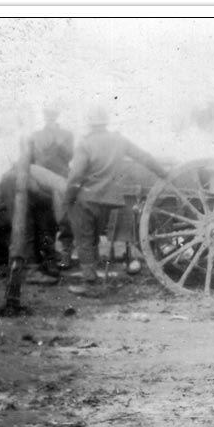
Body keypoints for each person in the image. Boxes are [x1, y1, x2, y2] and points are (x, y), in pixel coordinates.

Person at [63, 104, 169, 296]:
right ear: (106, 122)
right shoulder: (118, 140)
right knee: (93, 238)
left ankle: (90, 283)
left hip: (86, 199)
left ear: (89, 123)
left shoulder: (85, 144)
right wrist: (163, 173)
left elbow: (75, 176)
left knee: (85, 240)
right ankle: (93, 277)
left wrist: (67, 199)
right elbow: (142, 156)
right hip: (109, 201)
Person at [29, 102, 75, 269]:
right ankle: (48, 253)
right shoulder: (36, 135)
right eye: (47, 113)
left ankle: (66, 252)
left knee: (64, 215)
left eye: (53, 113)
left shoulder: (66, 134)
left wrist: (60, 143)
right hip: (42, 181)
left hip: (61, 179)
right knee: (44, 216)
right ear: (44, 115)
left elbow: (70, 156)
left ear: (57, 115)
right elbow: (31, 160)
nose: (50, 116)